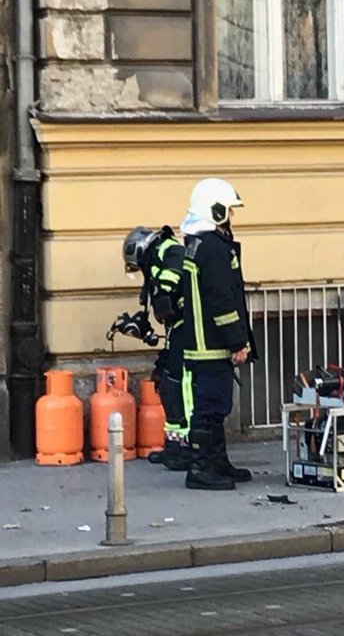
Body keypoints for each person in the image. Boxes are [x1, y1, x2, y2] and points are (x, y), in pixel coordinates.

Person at [180, 178, 257, 491]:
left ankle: (217, 461)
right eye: (228, 211)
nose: (231, 217)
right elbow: (222, 300)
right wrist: (237, 341)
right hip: (210, 345)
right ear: (214, 211)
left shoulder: (199, 244)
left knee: (217, 405)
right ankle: (200, 467)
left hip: (203, 343)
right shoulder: (212, 247)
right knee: (210, 409)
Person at [122, 225, 193, 471]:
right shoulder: (156, 258)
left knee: (179, 385)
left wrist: (163, 292)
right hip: (177, 327)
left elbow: (174, 272)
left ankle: (188, 447)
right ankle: (174, 446)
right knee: (166, 382)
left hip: (188, 328)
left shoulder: (168, 248)